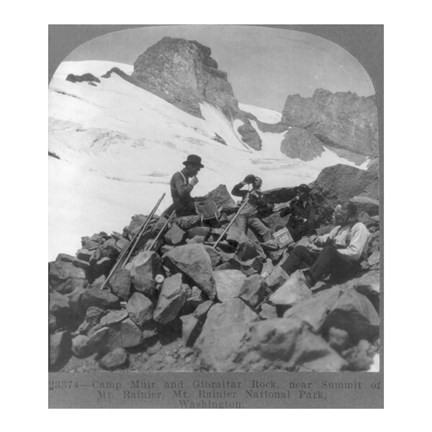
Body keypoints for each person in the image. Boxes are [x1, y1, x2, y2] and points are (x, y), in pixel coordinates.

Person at [280, 202, 371, 287]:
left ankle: (309, 280)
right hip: (332, 261)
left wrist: (327, 251)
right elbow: (326, 239)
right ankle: (281, 277)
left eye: (336, 213)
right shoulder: (339, 229)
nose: (333, 216)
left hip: (349, 266)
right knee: (300, 250)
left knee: (328, 250)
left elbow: (354, 253)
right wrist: (316, 239)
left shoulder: (359, 228)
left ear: (345, 215)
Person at [231, 174, 273, 242]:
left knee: (266, 231)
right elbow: (234, 192)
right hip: (242, 215)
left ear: (260, 183)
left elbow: (266, 206)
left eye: (256, 180)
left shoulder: (262, 195)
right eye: (253, 180)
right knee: (242, 236)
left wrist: (258, 198)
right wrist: (243, 182)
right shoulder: (246, 192)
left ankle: (270, 247)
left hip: (252, 216)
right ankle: (241, 250)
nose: (254, 181)